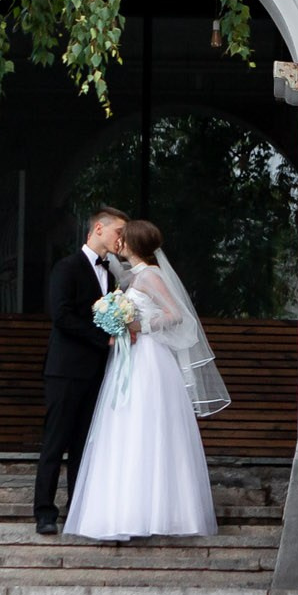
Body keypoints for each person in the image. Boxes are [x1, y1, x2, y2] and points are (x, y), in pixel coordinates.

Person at [61, 218, 223, 541]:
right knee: (123, 427)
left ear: (133, 244)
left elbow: (177, 315)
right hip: (129, 357)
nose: (118, 242)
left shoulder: (150, 275)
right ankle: (122, 510)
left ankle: (158, 512)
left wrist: (142, 327)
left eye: (124, 238)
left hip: (149, 358)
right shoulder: (132, 277)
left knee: (145, 426)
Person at [33, 206, 128, 536]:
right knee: (55, 441)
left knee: (84, 444)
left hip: (96, 373)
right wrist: (103, 338)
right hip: (65, 370)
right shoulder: (67, 267)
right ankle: (45, 512)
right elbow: (61, 316)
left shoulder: (113, 275)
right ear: (99, 229)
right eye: (119, 232)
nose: (121, 240)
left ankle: (78, 509)